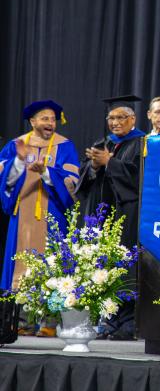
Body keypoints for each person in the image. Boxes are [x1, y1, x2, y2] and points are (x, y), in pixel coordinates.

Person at [0, 100, 79, 336]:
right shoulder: (17, 146)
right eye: (44, 118)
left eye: (53, 119)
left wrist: (45, 171)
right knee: (21, 264)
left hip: (52, 215)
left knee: (52, 264)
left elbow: (73, 180)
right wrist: (19, 165)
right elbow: (6, 181)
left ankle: (49, 322)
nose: (49, 123)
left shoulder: (65, 146)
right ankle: (22, 321)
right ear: (33, 121)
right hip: (22, 215)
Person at [75, 94, 146, 340]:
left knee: (125, 266)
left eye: (120, 118)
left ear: (132, 119)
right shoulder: (102, 142)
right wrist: (94, 167)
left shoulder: (142, 143)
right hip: (102, 216)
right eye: (111, 118)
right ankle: (108, 319)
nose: (115, 123)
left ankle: (127, 322)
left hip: (128, 215)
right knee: (103, 265)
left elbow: (139, 178)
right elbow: (85, 181)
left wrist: (110, 162)